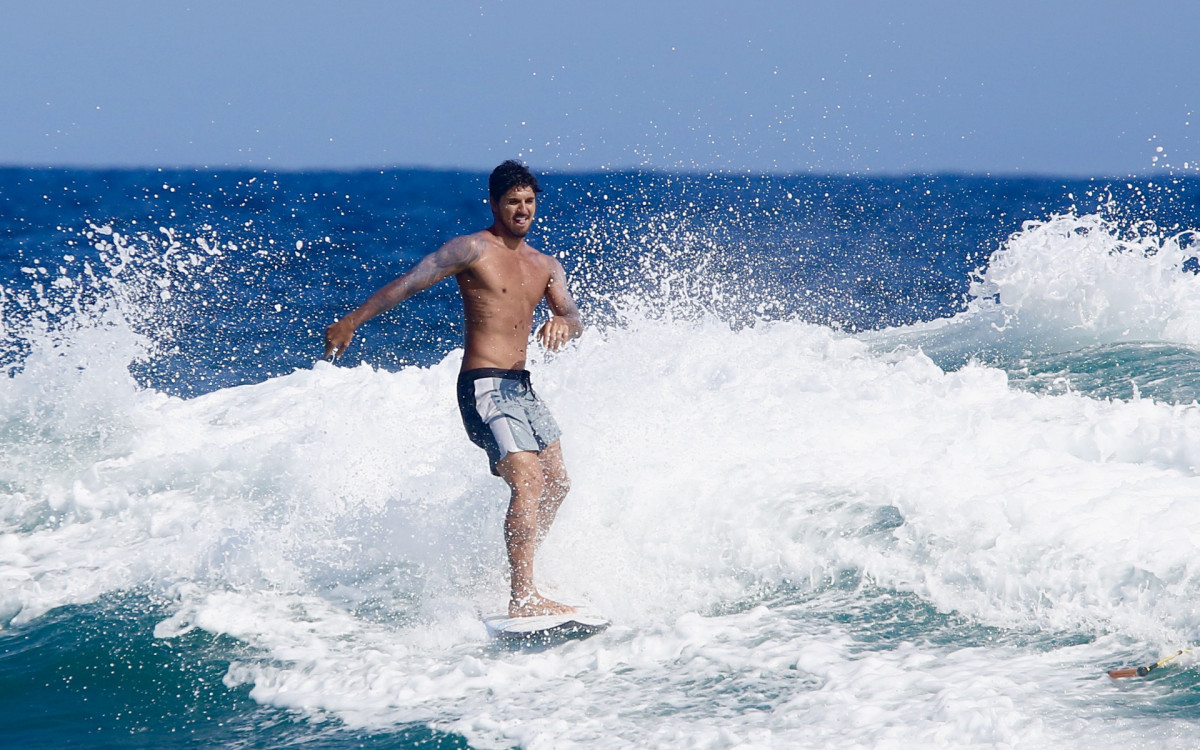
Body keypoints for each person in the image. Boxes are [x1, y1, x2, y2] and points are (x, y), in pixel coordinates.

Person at [323, 161, 583, 617]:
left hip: (522, 389)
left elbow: (575, 316)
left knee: (558, 483)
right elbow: (407, 284)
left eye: (528, 202)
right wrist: (352, 321)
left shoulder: (546, 265)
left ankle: (525, 571)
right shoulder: (471, 249)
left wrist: (564, 321)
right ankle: (523, 596)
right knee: (529, 479)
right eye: (512, 202)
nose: (522, 210)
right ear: (494, 204)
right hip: (483, 386)